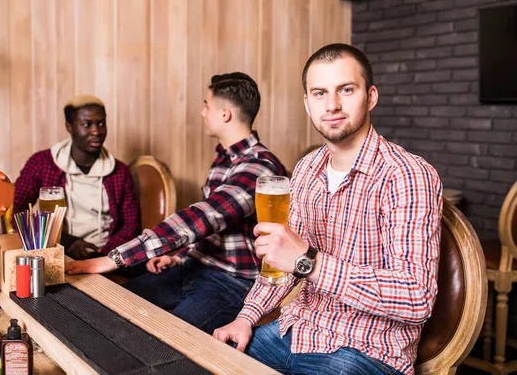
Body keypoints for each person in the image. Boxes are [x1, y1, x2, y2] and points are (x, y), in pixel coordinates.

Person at [213, 44, 443, 375]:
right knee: (205, 363)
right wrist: (246, 317)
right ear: (307, 104)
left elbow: (415, 298)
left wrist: (309, 262)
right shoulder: (307, 168)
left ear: (371, 97)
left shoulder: (407, 175)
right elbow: (282, 260)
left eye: (346, 90)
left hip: (365, 351)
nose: (332, 105)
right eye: (319, 93)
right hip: (291, 334)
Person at [66, 73, 288, 334]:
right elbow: (217, 232)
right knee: (112, 308)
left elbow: (206, 216)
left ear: (225, 114)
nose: (202, 112)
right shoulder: (224, 159)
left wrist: (113, 259)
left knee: (165, 342)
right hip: (195, 267)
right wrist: (180, 256)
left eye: (206, 105)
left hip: (231, 281)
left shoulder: (260, 166)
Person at [13, 95, 140, 259]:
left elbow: (131, 225)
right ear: (69, 127)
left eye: (101, 124)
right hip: (57, 251)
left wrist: (103, 256)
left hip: (105, 255)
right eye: (87, 124)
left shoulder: (119, 171)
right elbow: (18, 213)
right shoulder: (42, 163)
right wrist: (67, 241)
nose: (96, 131)